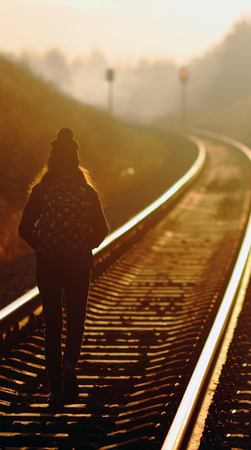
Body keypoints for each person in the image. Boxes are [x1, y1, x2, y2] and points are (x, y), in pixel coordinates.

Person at [18, 128, 109, 409]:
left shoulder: (42, 190)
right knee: (76, 319)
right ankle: (70, 367)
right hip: (78, 264)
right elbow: (103, 230)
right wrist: (84, 246)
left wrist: (43, 246)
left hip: (49, 264)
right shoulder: (87, 191)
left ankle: (55, 388)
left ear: (52, 160)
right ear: (75, 161)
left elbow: (23, 229)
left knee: (53, 323)